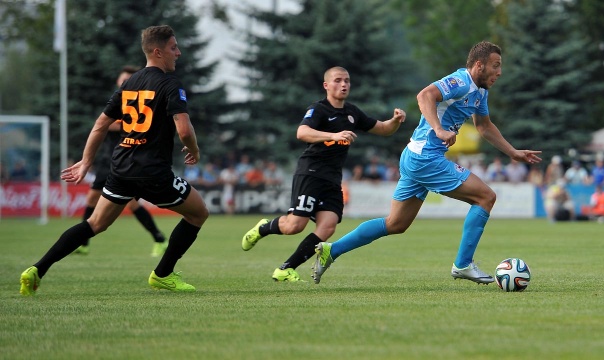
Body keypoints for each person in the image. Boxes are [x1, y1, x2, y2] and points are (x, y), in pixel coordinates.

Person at [311, 41, 542, 284]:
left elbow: (484, 126)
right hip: (425, 157)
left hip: (416, 156)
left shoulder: (481, 91)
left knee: (396, 224)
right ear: (478, 65)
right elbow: (424, 96)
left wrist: (512, 152)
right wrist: (439, 130)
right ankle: (463, 264)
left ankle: (331, 250)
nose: (499, 72)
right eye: (495, 66)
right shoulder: (460, 81)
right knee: (486, 197)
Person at [19, 25, 209, 296]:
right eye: (173, 48)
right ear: (158, 51)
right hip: (153, 171)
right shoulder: (170, 84)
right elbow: (184, 129)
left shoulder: (128, 84)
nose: (178, 53)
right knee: (199, 213)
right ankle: (163, 274)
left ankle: (37, 269)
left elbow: (100, 124)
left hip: (120, 168)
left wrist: (86, 162)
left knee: (94, 224)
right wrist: (195, 150)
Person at [241, 66, 406, 282]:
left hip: (332, 177)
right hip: (311, 172)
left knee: (328, 226)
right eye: (338, 80)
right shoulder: (318, 110)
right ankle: (263, 228)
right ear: (326, 85)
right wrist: (334, 135)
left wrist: (395, 120)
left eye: (347, 80)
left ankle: (285, 268)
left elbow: (383, 129)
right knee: (294, 226)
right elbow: (302, 132)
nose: (344, 84)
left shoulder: (352, 113)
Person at [74, 65, 168, 257]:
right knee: (92, 198)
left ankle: (159, 238)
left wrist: (115, 123)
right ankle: (83, 244)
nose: (123, 82)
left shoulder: (139, 102)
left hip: (125, 159)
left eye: (127, 79)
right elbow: (105, 125)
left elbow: (112, 124)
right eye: (121, 79)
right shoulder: (118, 99)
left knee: (132, 204)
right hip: (107, 159)